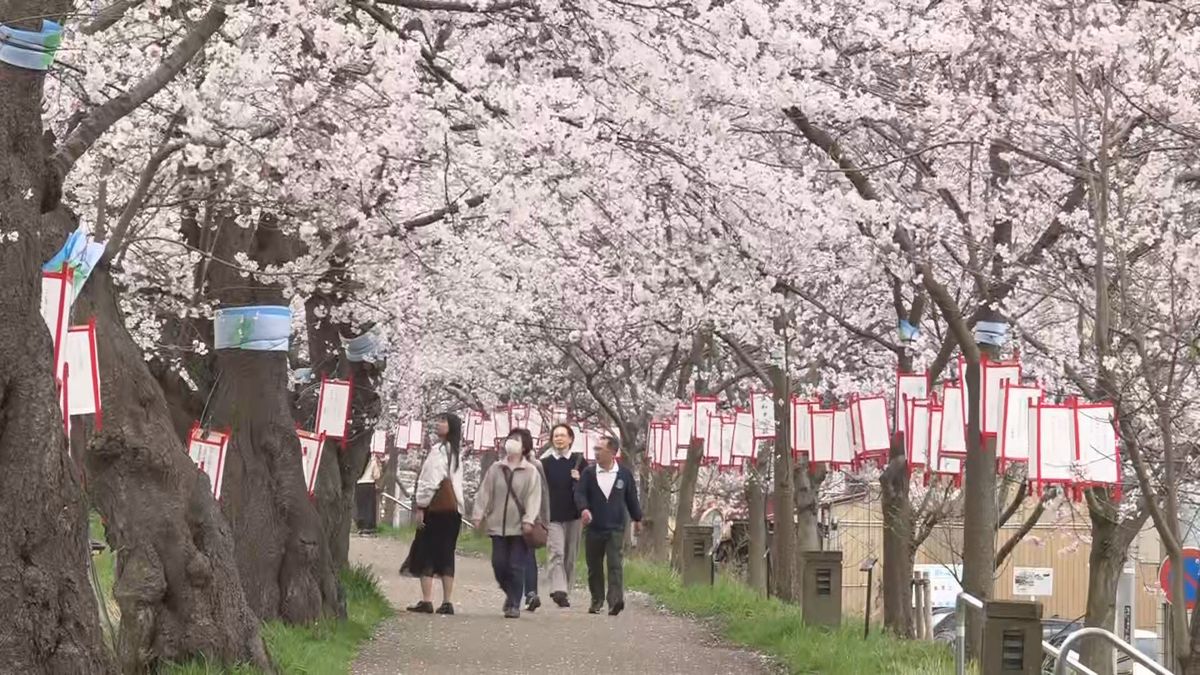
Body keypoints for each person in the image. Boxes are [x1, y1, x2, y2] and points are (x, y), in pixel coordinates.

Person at [473, 431, 543, 618]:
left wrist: (528, 519)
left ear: (524, 447)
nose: (511, 443)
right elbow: (485, 492)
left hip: (519, 528)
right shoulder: (496, 468)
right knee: (499, 565)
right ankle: (511, 593)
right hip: (497, 526)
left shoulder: (530, 471)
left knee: (515, 565)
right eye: (510, 439)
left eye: (516, 440)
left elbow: (533, 498)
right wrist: (478, 514)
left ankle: (514, 604)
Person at [399, 413, 464, 615]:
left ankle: (427, 600)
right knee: (447, 553)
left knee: (426, 550)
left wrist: (421, 505)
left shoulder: (438, 452)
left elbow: (430, 481)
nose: (439, 423)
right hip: (453, 510)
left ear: (451, 427)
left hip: (435, 510)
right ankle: (447, 601)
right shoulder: (456, 453)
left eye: (444, 421)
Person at [575, 435, 642, 616]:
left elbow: (632, 499)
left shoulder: (624, 474)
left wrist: (637, 519)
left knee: (615, 564)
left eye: (600, 449)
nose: (596, 453)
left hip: (615, 527)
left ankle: (615, 601)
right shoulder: (589, 473)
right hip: (594, 527)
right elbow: (580, 494)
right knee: (594, 566)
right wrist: (584, 509)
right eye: (595, 449)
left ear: (612, 452)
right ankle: (596, 599)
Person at [539, 423, 586, 607]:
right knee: (556, 552)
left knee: (570, 556)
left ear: (570, 439)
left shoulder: (579, 461)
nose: (559, 439)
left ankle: (566, 590)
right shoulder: (545, 463)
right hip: (552, 515)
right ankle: (559, 589)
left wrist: (579, 479)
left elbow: (589, 487)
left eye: (562, 435)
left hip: (574, 515)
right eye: (556, 436)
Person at [514, 428, 551, 612]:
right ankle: (517, 595)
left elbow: (544, 493)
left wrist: (544, 520)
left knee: (528, 554)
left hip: (530, 517)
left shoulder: (535, 465)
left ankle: (530, 593)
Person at [355, 453, 383, 534]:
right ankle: (369, 526)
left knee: (361, 506)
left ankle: (361, 525)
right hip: (369, 484)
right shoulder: (373, 461)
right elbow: (376, 475)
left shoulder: (358, 459)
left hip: (359, 484)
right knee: (369, 506)